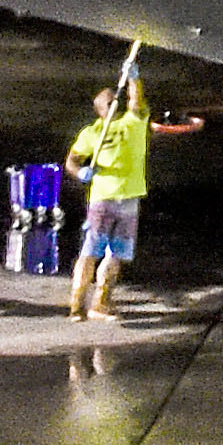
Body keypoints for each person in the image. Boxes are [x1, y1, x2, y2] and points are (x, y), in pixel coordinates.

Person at [62, 63, 153, 321]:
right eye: (110, 102)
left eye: (116, 100)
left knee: (117, 255)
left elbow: (136, 100)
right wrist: (80, 173)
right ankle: (76, 305)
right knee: (90, 251)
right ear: (100, 109)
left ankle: (101, 303)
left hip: (130, 199)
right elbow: (72, 161)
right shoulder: (92, 134)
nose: (116, 104)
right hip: (103, 200)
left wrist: (134, 79)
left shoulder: (132, 124)